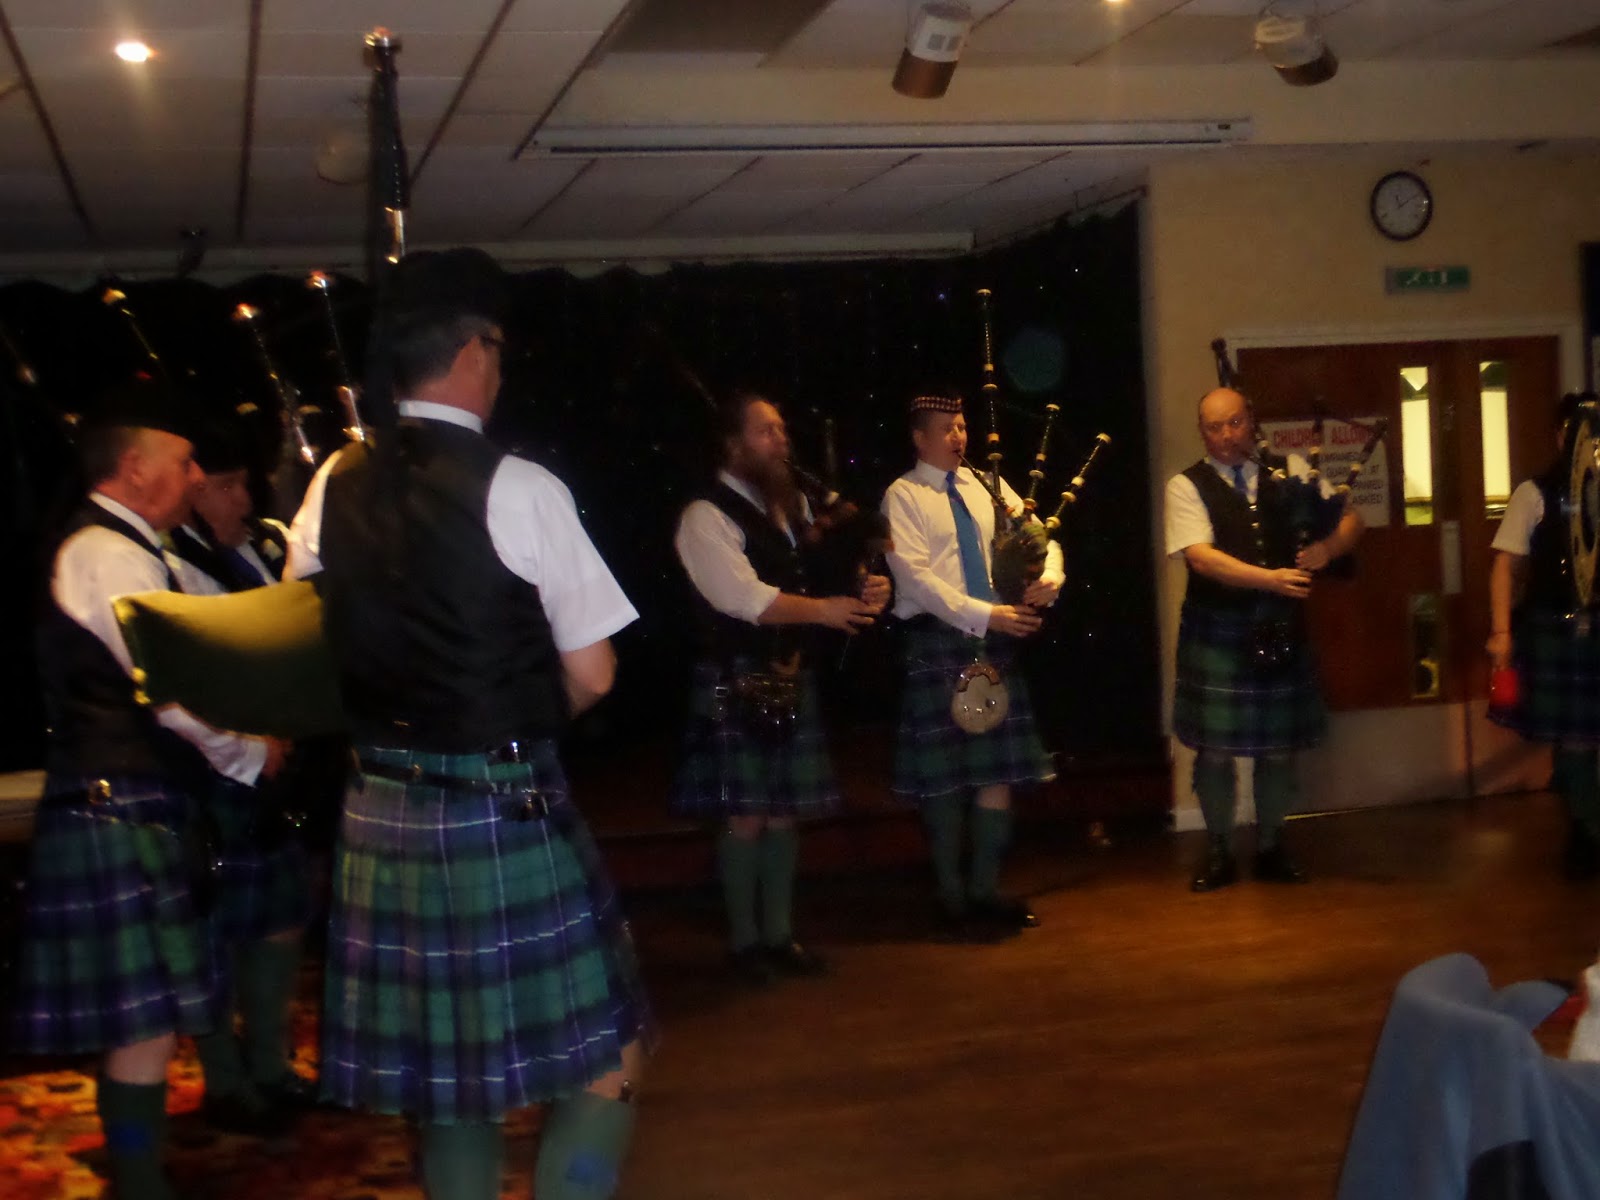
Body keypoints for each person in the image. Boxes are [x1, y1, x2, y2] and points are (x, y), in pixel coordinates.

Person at [286, 247, 648, 1200]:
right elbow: (594, 673)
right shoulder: (520, 486)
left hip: (379, 810)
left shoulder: (332, 482)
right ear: (473, 352)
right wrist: (521, 718)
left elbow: (302, 630)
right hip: (500, 808)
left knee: (452, 1092)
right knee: (606, 1059)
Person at [9, 380, 286, 1200]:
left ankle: (140, 1178)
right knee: (143, 1027)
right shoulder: (107, 553)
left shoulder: (137, 551)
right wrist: (248, 753)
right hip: (117, 804)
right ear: (134, 468)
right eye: (184, 461)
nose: (196, 477)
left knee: (147, 1027)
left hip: (129, 803)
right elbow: (167, 690)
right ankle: (137, 1184)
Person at [672, 390, 891, 984]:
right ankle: (744, 944)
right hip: (736, 676)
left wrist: (866, 589)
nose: (781, 440)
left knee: (784, 813)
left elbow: (819, 578)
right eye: (766, 431)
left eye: (781, 429)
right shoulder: (705, 515)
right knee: (745, 815)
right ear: (732, 444)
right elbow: (742, 598)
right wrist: (824, 611)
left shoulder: (790, 512)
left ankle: (779, 936)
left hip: (791, 675)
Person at [165, 419, 313, 1137]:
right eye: (225, 486)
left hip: (274, 765)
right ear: (193, 495)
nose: (243, 499)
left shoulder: (261, 550)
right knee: (217, 930)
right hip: (212, 769)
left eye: (243, 484)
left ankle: (270, 1066)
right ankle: (225, 1080)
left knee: (281, 920)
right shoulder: (172, 567)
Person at [1165, 386, 1363, 892]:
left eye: (1234, 423)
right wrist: (1270, 579)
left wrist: (1327, 548)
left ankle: (1273, 845)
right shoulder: (1185, 486)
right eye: (1214, 427)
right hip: (1218, 630)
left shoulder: (1290, 470)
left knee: (1278, 749)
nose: (1226, 435)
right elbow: (1201, 558)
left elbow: (1351, 518)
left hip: (1281, 628)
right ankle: (1219, 849)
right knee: (1213, 750)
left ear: (1250, 421)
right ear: (1202, 432)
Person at [881, 391, 1061, 938]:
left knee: (995, 775)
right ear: (919, 438)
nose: (958, 436)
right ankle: (950, 897)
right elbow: (916, 579)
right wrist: (987, 615)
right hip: (940, 641)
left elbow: (1039, 535)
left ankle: (985, 889)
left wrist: (1049, 579)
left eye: (961, 425)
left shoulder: (989, 485)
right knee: (944, 782)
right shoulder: (903, 496)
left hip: (995, 641)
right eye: (946, 428)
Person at [1486, 391, 1600, 879]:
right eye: (1580, 430)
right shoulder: (1535, 494)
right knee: (1575, 742)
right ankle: (1586, 833)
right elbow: (1505, 566)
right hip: (1559, 629)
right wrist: (1501, 633)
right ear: (1561, 437)